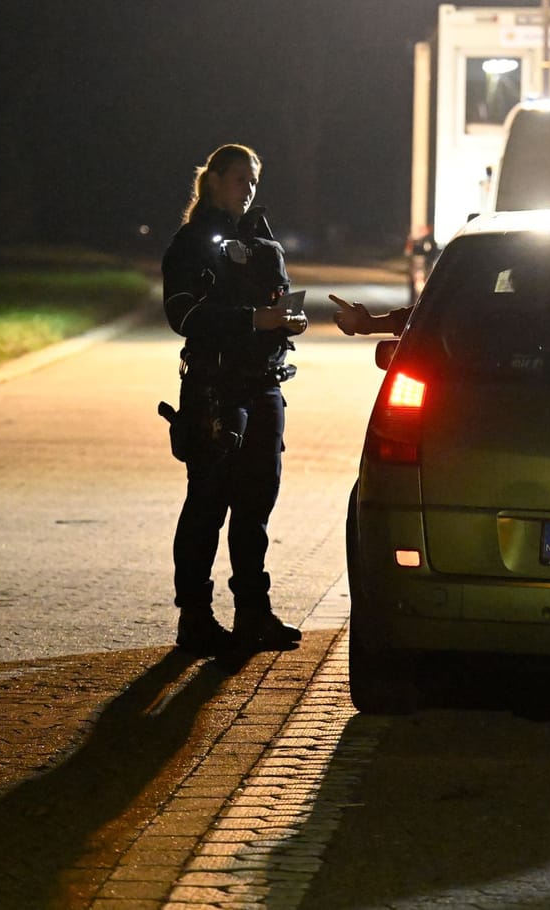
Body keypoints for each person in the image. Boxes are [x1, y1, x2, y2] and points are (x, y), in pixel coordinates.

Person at [162, 144, 306, 654]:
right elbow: (183, 314)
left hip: (264, 384)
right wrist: (250, 320)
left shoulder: (261, 238)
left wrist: (287, 321)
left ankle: (253, 614)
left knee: (255, 504)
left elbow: (276, 299)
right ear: (215, 179)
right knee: (207, 503)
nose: (248, 188)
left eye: (255, 180)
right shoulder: (193, 241)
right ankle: (195, 619)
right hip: (215, 388)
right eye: (241, 178)